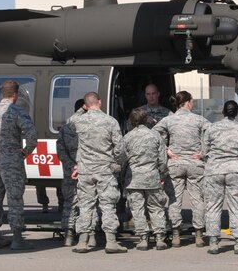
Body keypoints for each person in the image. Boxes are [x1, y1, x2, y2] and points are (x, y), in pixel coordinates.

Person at [0, 80, 38, 250]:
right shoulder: (17, 112)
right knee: (14, 199)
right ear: (15, 95)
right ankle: (17, 238)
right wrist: (25, 152)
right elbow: (32, 136)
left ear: (1, 94)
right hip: (12, 160)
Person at [153, 90, 210, 247]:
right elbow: (212, 133)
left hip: (175, 164)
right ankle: (199, 235)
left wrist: (166, 150)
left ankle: (176, 234)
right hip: (195, 164)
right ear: (189, 102)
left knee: (174, 199)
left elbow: (153, 135)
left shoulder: (169, 120)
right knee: (197, 199)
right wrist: (203, 152)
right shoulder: (199, 119)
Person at [72, 91, 125, 254]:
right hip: (105, 170)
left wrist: (83, 109)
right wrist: (117, 164)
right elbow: (120, 148)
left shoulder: (78, 121)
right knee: (108, 204)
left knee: (86, 204)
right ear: (100, 102)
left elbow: (72, 121)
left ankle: (82, 242)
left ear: (86, 105)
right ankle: (111, 242)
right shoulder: (110, 121)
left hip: (85, 170)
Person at [202, 100, 238, 254]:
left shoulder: (211, 128)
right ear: (237, 113)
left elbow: (204, 152)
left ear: (223, 112)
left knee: (213, 206)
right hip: (236, 169)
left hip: (214, 170)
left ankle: (213, 243)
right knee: (236, 206)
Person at [117, 108, 169, 250]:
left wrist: (121, 177)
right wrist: (162, 175)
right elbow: (163, 160)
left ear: (131, 121)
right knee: (156, 208)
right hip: (152, 177)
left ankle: (143, 239)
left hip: (133, 179)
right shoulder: (155, 136)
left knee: (137, 209)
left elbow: (119, 158)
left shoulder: (127, 137)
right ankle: (159, 238)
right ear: (146, 120)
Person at [56, 98, 85, 246]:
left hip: (69, 171)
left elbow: (60, 151)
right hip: (86, 170)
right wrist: (80, 166)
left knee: (69, 203)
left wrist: (71, 166)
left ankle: (68, 234)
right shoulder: (88, 125)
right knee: (86, 203)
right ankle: (85, 235)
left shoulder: (66, 127)